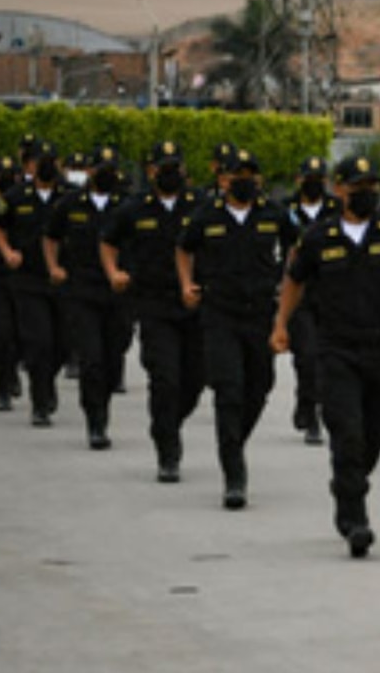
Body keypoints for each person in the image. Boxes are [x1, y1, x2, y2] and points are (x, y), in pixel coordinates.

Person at [271, 156, 380, 557]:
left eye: (370, 185)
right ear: (339, 190)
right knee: (347, 431)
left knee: (377, 430)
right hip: (336, 349)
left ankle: (346, 485)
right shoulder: (319, 236)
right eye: (356, 186)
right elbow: (294, 280)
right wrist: (281, 323)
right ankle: (355, 518)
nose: (365, 192)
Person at [176, 148, 298, 509]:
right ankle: (234, 473)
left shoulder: (273, 213)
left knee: (260, 385)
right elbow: (184, 249)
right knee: (229, 389)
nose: (244, 180)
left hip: (261, 312)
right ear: (223, 179)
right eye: (236, 174)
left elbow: (298, 244)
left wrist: (287, 277)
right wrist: (186, 284)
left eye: (250, 173)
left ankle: (233, 442)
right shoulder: (206, 215)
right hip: (219, 313)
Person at [100, 140, 205, 482]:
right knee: (165, 379)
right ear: (150, 171)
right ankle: (168, 452)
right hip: (154, 304)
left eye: (175, 165)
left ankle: (168, 422)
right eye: (163, 166)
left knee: (193, 380)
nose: (170, 172)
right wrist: (114, 271)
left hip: (194, 306)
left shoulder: (201, 206)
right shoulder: (135, 208)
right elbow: (107, 240)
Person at [44, 145, 134, 450]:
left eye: (112, 169)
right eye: (101, 169)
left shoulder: (127, 205)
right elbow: (50, 236)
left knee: (112, 356)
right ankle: (96, 421)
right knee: (91, 359)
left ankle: (102, 402)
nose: (106, 174)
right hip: (81, 291)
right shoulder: (71, 203)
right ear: (90, 172)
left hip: (119, 293)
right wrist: (54, 266)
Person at [0, 139, 68, 426]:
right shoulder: (15, 196)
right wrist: (8, 252)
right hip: (28, 280)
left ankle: (47, 380)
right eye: (40, 162)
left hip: (63, 280)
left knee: (63, 344)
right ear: (29, 166)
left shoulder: (70, 197)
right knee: (38, 341)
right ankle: (40, 403)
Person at [284, 156, 340, 446]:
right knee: (306, 356)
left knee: (326, 359)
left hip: (332, 294)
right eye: (309, 177)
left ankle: (314, 406)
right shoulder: (285, 210)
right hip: (300, 294)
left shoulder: (337, 209)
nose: (315, 183)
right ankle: (310, 410)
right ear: (299, 179)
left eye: (320, 178)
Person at [0, 154, 21, 411]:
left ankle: (11, 373)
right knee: (2, 332)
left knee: (21, 333)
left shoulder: (13, 201)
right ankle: (2, 387)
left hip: (20, 275)